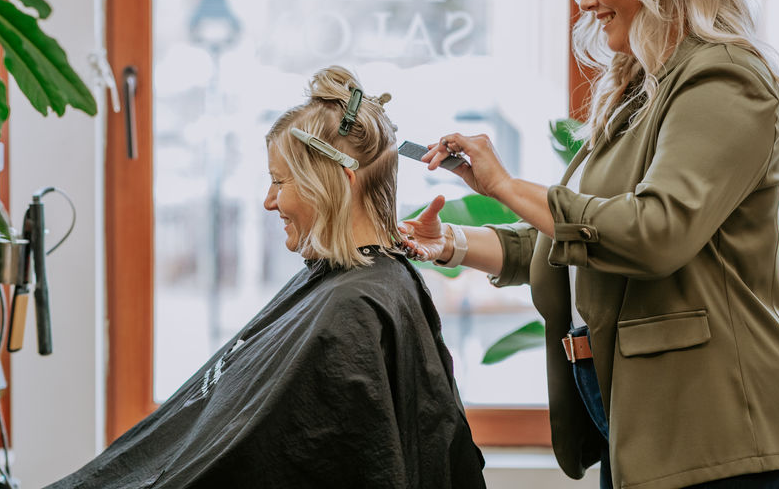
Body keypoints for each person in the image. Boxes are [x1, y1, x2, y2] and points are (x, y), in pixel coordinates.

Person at [400, 0, 779, 489]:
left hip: (718, 426)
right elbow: (578, 241)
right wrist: (450, 244)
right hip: (642, 415)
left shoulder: (722, 79)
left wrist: (506, 185)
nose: (586, 0)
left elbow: (652, 233)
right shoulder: (642, 94)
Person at [48, 66, 486, 488]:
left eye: (280, 182)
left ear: (337, 181)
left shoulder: (351, 309)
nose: (268, 201)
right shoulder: (366, 286)